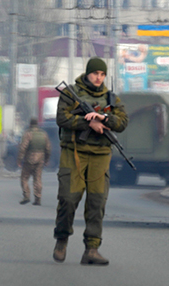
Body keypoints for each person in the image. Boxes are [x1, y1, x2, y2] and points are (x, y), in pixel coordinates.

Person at [53, 57, 128, 266]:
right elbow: (62, 118)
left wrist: (104, 119)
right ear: (88, 73)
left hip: (100, 155)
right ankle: (62, 239)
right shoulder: (70, 93)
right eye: (95, 73)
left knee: (97, 201)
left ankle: (92, 249)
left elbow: (123, 122)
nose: (98, 78)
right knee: (68, 198)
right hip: (74, 152)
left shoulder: (111, 98)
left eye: (102, 74)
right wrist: (88, 123)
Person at [17, 118, 51, 205]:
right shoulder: (43, 134)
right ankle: (38, 198)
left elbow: (23, 147)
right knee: (37, 179)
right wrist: (47, 160)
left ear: (30, 124)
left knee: (24, 178)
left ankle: (26, 196)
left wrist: (20, 159)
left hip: (29, 158)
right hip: (40, 159)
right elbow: (48, 148)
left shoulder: (28, 133)